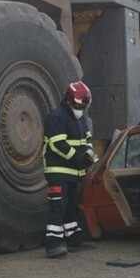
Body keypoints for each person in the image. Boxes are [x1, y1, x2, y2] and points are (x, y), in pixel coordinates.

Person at [42, 81, 97, 258]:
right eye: (79, 104)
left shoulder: (79, 118)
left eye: (84, 105)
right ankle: (52, 245)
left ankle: (74, 240)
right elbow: (58, 144)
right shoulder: (56, 117)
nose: (81, 108)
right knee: (58, 206)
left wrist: (89, 154)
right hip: (58, 171)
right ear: (68, 101)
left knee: (70, 206)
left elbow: (87, 138)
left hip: (74, 172)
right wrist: (78, 158)